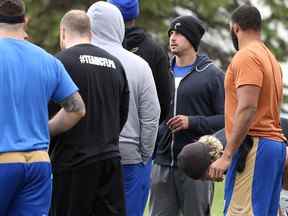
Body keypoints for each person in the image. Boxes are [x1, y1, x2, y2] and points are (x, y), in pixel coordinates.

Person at [0, 1, 85, 215]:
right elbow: (77, 108)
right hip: (38, 163)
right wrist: (45, 129)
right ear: (25, 21)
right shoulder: (48, 60)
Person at [48, 10, 129, 216]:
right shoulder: (114, 64)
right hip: (110, 160)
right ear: (90, 33)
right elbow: (122, 113)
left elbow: (48, 114)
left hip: (73, 163)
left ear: (63, 32)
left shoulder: (59, 63)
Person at [208, 5, 286, 216]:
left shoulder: (246, 57)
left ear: (235, 28)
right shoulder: (270, 58)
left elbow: (248, 106)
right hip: (272, 145)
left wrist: (227, 154)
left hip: (255, 146)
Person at [87, 2, 160, 216]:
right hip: (130, 153)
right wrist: (144, 154)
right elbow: (151, 115)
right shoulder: (138, 64)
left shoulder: (77, 60)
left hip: (88, 155)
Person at [150, 15, 225, 216]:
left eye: (179, 33)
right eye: (171, 33)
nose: (173, 38)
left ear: (192, 39)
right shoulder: (161, 72)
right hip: (162, 163)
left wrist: (191, 122)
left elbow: (227, 120)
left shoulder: (213, 75)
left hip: (197, 166)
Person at [108, 0, 172, 123]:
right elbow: (164, 103)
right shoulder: (155, 51)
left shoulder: (99, 48)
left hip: (102, 134)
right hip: (139, 136)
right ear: (135, 14)